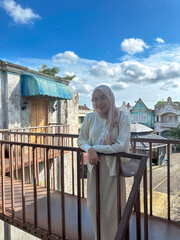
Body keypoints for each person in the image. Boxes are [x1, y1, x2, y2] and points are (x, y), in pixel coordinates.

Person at [77, 85, 130, 240]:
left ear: (110, 98)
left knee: (112, 211)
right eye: (95, 99)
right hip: (94, 169)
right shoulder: (90, 118)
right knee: (93, 206)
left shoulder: (122, 117)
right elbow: (81, 140)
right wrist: (89, 149)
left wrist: (95, 148)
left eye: (102, 98)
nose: (98, 103)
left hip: (112, 170)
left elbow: (122, 145)